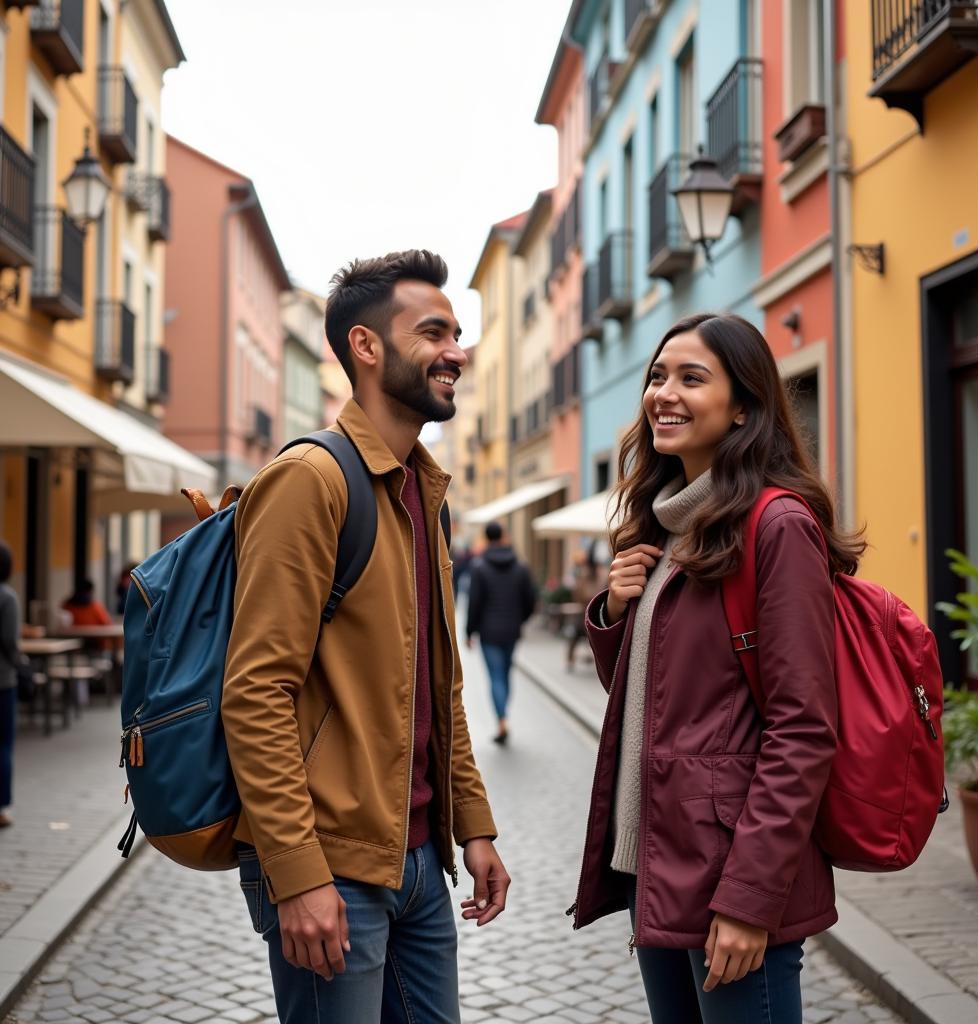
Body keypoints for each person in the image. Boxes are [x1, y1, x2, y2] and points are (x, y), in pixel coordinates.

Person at [222, 249, 510, 1023]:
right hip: (333, 865)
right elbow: (255, 692)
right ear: (367, 347)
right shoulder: (312, 480)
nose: (456, 350)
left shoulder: (424, 488)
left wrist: (473, 825)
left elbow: (437, 685)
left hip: (419, 861)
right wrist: (296, 871)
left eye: (457, 332)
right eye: (434, 332)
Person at [571, 314, 864, 1024]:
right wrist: (615, 616)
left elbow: (803, 728)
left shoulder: (776, 525)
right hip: (656, 863)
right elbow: (663, 702)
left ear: (743, 406)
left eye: (691, 378)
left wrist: (749, 899)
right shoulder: (668, 526)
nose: (663, 393)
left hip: (728, 870)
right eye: (659, 376)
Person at [465, 522, 537, 745]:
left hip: (488, 631)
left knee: (495, 676)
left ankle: (501, 720)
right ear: (504, 536)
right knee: (505, 674)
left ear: (486, 538)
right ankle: (504, 715)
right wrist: (520, 620)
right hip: (512, 630)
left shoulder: (479, 567)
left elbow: (474, 603)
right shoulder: (521, 566)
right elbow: (531, 600)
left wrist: (469, 631)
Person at [0, 541, 21, 828]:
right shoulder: (7, 598)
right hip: (3, 681)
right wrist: (23, 667)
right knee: (2, 745)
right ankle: (1, 809)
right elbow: (9, 642)